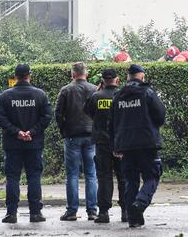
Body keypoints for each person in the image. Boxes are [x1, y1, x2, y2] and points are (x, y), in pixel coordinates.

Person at [109, 64, 166, 228]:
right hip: (147, 144)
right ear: (142, 77)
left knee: (130, 181)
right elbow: (160, 115)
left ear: (128, 78)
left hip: (126, 146)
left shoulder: (118, 96)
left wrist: (115, 145)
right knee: (152, 177)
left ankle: (133, 219)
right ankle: (140, 204)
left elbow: (111, 123)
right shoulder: (147, 92)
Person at [0, 64, 52, 224]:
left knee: (12, 178)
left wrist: (17, 132)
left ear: (15, 76)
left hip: (12, 143)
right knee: (34, 177)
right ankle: (35, 213)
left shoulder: (5, 96)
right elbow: (47, 117)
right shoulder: (40, 94)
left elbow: (0, 117)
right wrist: (31, 132)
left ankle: (11, 213)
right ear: (29, 75)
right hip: (34, 144)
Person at [55, 62, 98, 221]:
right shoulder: (94, 90)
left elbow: (58, 114)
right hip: (91, 135)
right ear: (86, 74)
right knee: (91, 174)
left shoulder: (66, 90)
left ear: (72, 74)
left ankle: (72, 211)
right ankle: (92, 210)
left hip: (72, 135)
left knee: (72, 174)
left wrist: (64, 131)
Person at [84, 69, 126, 224]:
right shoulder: (123, 95)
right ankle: (126, 212)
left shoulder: (96, 96)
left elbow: (88, 112)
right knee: (124, 178)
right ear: (117, 80)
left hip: (102, 143)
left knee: (104, 178)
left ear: (102, 81)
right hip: (122, 143)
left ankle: (103, 213)